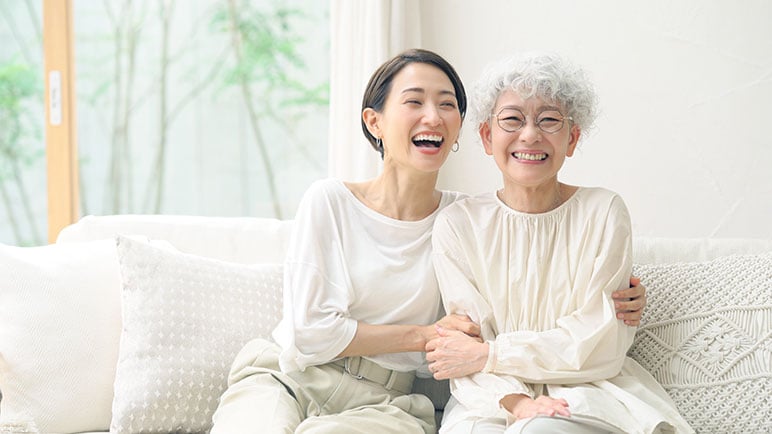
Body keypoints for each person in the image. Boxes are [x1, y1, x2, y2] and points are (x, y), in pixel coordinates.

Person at [210, 49, 647, 434]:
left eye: (447, 104)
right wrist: (424, 335)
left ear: (463, 130)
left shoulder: (465, 221)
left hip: (387, 402)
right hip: (289, 377)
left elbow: (521, 281)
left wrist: (626, 298)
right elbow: (310, 333)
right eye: (414, 101)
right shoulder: (330, 201)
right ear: (374, 121)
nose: (433, 116)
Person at [426, 52, 692, 433]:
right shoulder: (458, 224)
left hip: (589, 391)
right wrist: (517, 402)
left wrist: (491, 353)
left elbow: (600, 344)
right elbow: (460, 351)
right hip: (489, 399)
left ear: (572, 138)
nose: (531, 134)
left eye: (549, 119)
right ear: (487, 136)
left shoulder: (604, 212)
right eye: (512, 119)